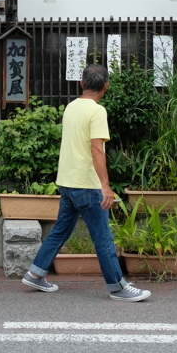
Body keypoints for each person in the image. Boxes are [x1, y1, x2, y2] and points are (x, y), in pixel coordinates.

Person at [21, 63, 151, 302]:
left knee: (61, 230)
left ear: (81, 83)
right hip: (87, 184)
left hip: (68, 182)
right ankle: (117, 286)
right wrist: (105, 186)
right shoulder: (97, 111)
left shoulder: (71, 107)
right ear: (106, 87)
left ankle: (35, 273)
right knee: (102, 236)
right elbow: (96, 150)